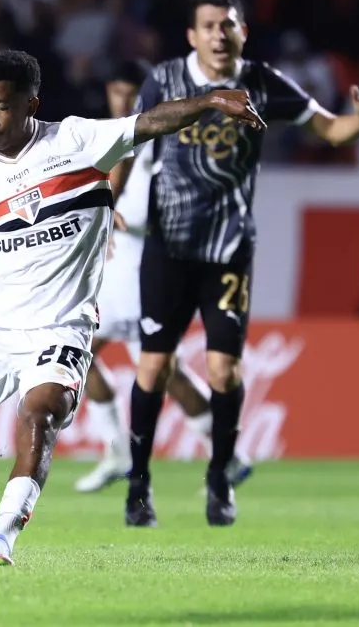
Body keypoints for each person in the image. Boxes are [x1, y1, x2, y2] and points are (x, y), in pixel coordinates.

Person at [0, 48, 264, 565]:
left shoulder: (77, 140)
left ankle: (3, 535)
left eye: (0, 106)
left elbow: (151, 122)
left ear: (31, 104)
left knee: (39, 415)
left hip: (59, 330)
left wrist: (213, 99)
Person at [124, 0, 359, 528]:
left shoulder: (263, 81)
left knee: (224, 370)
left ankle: (220, 477)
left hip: (229, 249)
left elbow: (329, 127)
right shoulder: (164, 81)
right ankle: (138, 484)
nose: (218, 35)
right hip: (168, 247)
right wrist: (112, 202)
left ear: (242, 33)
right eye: (208, 26)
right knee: (153, 366)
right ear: (192, 36)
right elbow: (131, 143)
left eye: (227, 25)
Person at [76, 60, 252, 494]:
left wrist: (118, 217)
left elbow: (158, 208)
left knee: (131, 362)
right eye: (116, 91)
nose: (122, 100)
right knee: (114, 359)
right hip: (118, 274)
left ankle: (124, 450)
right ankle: (221, 454)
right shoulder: (107, 140)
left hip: (144, 272)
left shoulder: (162, 146)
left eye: (130, 93)